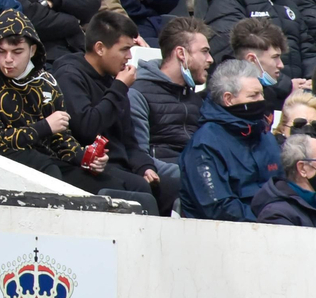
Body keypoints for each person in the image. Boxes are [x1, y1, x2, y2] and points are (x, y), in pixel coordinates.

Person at [0, 9, 130, 192]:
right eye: (1, 52)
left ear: (32, 50)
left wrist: (85, 157)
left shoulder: (46, 84)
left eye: (17, 52)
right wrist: (43, 127)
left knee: (113, 186)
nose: (7, 60)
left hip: (50, 163)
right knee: (46, 167)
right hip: (3, 166)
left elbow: (60, 140)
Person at [51, 11, 169, 210]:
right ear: (100, 48)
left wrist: (144, 166)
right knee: (139, 189)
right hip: (87, 165)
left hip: (121, 165)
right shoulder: (69, 75)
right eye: (124, 49)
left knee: (167, 185)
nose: (129, 57)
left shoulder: (113, 79)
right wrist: (119, 89)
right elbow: (86, 127)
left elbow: (128, 140)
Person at [179, 59, 282, 221]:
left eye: (261, 93)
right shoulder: (204, 144)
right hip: (229, 235)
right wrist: (271, 222)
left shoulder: (265, 136)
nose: (261, 100)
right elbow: (218, 207)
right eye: (253, 95)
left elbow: (285, 188)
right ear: (228, 99)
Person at [129, 17, 211, 184]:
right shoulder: (137, 93)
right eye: (204, 51)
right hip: (166, 184)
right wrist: (194, 176)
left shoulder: (198, 101)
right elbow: (138, 156)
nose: (210, 59)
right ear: (181, 53)